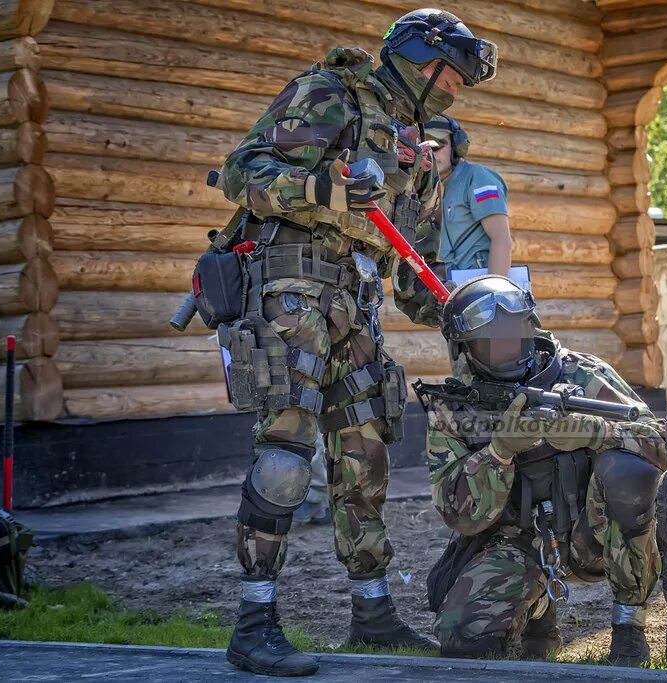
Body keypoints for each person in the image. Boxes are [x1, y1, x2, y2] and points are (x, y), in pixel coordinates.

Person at [215, 9, 497, 676]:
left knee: (365, 456)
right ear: (415, 60)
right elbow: (241, 171)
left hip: (357, 300)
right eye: (448, 74)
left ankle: (372, 613)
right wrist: (322, 184)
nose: (454, 89)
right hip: (294, 284)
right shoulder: (330, 95)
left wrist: (470, 310)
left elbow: (412, 269)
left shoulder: (415, 150)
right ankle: (254, 622)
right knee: (286, 454)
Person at [419, 275, 667, 665]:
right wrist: (500, 452)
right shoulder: (454, 408)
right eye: (492, 343)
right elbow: (457, 513)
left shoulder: (579, 374)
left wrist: (594, 432)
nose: (507, 350)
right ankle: (536, 609)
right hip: (516, 542)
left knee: (629, 472)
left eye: (513, 336)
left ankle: (629, 627)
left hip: (595, 533)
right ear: (464, 349)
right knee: (463, 639)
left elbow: (659, 443)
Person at [426, 115, 513, 276]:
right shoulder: (439, 188)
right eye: (425, 148)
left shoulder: (477, 178)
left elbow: (502, 240)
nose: (431, 154)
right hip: (455, 285)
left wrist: (492, 290)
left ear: (457, 147)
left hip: (479, 283)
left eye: (437, 146)